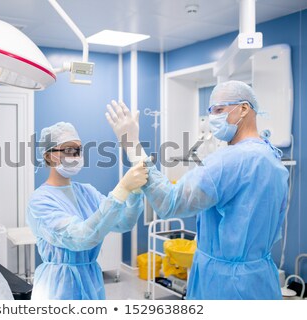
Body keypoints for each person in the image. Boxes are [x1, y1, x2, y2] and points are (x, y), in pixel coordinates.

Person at [105, 80, 289, 300]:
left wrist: (132, 143)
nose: (214, 118)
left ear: (244, 108)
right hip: (260, 280)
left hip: (224, 286)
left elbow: (169, 202)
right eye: (211, 112)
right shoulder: (273, 159)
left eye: (220, 110)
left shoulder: (226, 161)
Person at [26, 122, 148, 300]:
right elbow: (80, 238)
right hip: (58, 288)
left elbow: (124, 223)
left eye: (79, 150)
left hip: (92, 282)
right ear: (50, 156)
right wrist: (121, 189)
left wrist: (134, 193)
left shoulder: (87, 191)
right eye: (69, 150)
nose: (76, 156)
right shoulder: (40, 201)